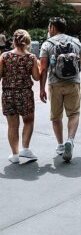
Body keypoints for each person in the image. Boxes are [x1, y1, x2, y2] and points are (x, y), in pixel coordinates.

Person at [39, 17, 81, 162]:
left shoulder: (47, 44)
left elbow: (43, 67)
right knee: (73, 114)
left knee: (56, 117)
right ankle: (70, 140)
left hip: (55, 84)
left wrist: (41, 89)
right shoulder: (75, 41)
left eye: (49, 27)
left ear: (53, 27)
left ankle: (60, 145)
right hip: (73, 83)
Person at [1, 29, 40, 164]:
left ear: (13, 41)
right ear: (27, 42)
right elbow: (36, 77)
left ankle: (15, 155)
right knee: (28, 121)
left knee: (12, 126)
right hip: (25, 94)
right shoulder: (31, 57)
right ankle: (26, 149)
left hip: (8, 94)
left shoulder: (5, 56)